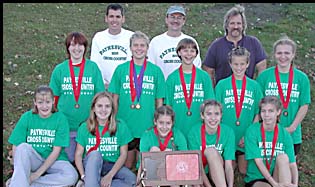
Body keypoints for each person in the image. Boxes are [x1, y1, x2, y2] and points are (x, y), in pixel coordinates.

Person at [5, 85, 78, 187]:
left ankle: (23, 182)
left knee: (72, 176)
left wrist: (36, 175)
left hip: (54, 159)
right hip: (34, 158)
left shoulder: (60, 118)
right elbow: (16, 146)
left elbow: (56, 151)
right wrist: (18, 168)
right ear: (35, 103)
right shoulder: (27, 117)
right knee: (22, 147)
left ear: (53, 102)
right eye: (40, 102)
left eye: (48, 102)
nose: (44, 106)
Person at [130, 105, 207, 187]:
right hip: (153, 172)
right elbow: (142, 165)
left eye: (168, 123)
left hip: (173, 173)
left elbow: (186, 164)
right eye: (161, 123)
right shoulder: (147, 136)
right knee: (154, 151)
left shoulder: (178, 135)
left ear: (173, 123)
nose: (164, 127)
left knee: (173, 156)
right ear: (155, 121)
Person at [74, 92, 136, 187]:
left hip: (111, 165)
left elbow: (123, 154)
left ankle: (90, 185)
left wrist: (110, 175)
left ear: (112, 109)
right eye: (99, 106)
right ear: (93, 108)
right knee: (96, 154)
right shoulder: (85, 127)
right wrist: (84, 175)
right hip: (91, 163)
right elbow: (78, 155)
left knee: (132, 182)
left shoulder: (120, 126)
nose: (103, 110)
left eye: (107, 106)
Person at [108, 31, 166, 170]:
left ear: (147, 48)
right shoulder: (121, 69)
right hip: (125, 121)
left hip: (146, 122)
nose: (139, 48)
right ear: (130, 47)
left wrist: (157, 121)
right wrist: (114, 118)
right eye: (135, 45)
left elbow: (159, 100)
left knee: (145, 165)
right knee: (127, 164)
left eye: (142, 45)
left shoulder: (155, 71)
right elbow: (115, 97)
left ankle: (143, 185)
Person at [244, 95, 300, 187]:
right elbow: (258, 161)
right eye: (264, 111)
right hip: (260, 176)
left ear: (278, 112)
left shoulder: (284, 134)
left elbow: (292, 164)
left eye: (271, 111)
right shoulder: (252, 131)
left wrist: (296, 184)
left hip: (279, 172)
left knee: (282, 157)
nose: (267, 115)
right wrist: (274, 184)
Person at [50, 31, 105, 163]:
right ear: (68, 47)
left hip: (88, 125)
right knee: (70, 159)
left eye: (80, 45)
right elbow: (54, 98)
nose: (77, 48)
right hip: (67, 126)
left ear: (85, 47)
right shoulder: (60, 69)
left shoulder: (93, 68)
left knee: (90, 159)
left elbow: (100, 97)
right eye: (73, 45)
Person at [256, 35, 311, 162]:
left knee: (288, 167)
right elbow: (259, 104)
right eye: (279, 53)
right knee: (270, 168)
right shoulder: (265, 76)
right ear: (274, 54)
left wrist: (292, 127)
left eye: (287, 53)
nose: (283, 56)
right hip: (268, 130)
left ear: (293, 55)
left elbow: (304, 105)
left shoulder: (301, 78)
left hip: (292, 133)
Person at [187, 99, 237, 187]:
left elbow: (228, 164)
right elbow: (197, 166)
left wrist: (231, 186)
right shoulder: (194, 132)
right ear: (202, 116)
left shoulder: (228, 132)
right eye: (209, 114)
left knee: (211, 151)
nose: (213, 118)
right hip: (202, 171)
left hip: (218, 170)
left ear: (221, 116)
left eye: (216, 114)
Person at [215, 46, 263, 175]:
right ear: (230, 64)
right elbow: (215, 112)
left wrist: (248, 135)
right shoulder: (222, 85)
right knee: (227, 168)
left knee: (244, 171)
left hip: (245, 134)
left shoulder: (254, 86)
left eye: (242, 64)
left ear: (248, 64)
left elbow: (258, 114)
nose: (239, 67)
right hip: (227, 134)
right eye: (235, 64)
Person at [202, 4, 267, 87]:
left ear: (243, 25)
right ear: (226, 25)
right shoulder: (216, 46)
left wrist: (257, 88)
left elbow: (262, 67)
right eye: (232, 23)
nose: (235, 27)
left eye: (239, 23)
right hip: (224, 93)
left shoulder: (253, 43)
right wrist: (214, 92)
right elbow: (208, 70)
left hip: (247, 93)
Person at [165, 38, 214, 137]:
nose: (188, 54)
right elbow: (168, 105)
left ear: (196, 54)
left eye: (192, 51)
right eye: (185, 50)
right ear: (179, 52)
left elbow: (210, 103)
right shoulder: (172, 78)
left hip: (199, 126)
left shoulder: (204, 77)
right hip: (178, 125)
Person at [147, 5, 202, 80]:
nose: (175, 21)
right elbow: (150, 68)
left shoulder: (191, 41)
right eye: (172, 17)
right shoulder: (156, 42)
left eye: (179, 18)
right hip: (162, 87)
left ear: (184, 21)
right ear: (166, 19)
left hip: (185, 88)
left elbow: (196, 67)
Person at [90, 3, 134, 89]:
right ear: (106, 18)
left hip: (126, 86)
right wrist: (102, 84)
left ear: (123, 19)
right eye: (111, 16)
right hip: (104, 87)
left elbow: (134, 63)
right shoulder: (98, 37)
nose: (114, 20)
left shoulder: (131, 37)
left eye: (118, 17)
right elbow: (95, 64)